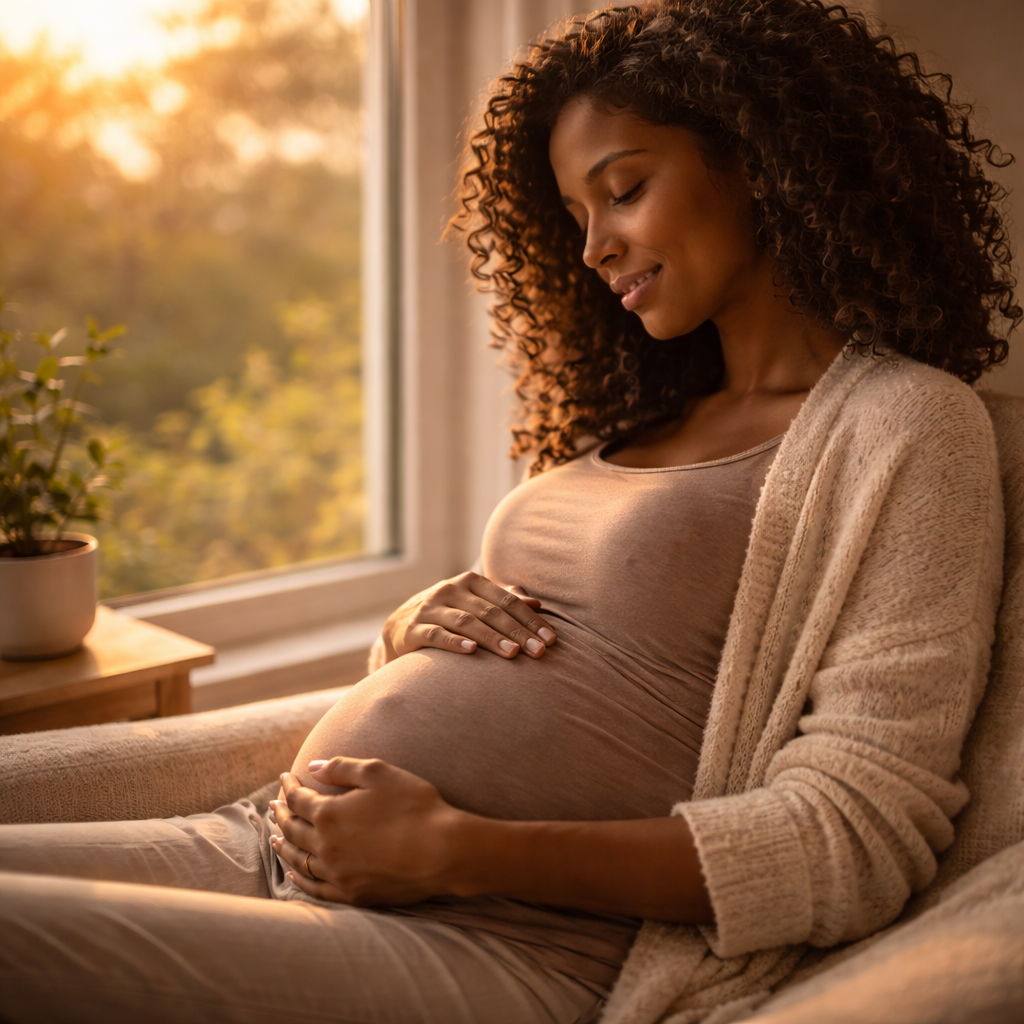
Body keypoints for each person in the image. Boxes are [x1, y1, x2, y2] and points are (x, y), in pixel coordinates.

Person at [0, 2, 1018, 1022]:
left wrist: (453, 848)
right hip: (269, 835)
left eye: (622, 192)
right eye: (576, 219)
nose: (594, 251)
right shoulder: (644, 412)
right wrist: (408, 633)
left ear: (756, 157)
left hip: (500, 938)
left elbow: (855, 836)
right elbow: (574, 665)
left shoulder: (906, 425)